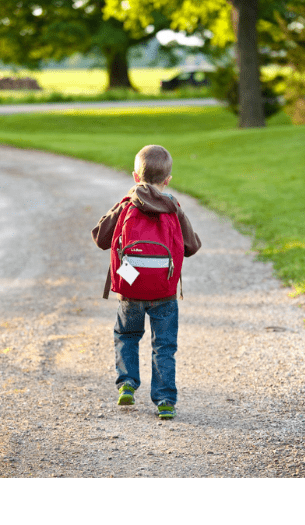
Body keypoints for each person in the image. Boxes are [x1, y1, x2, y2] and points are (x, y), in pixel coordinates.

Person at [92, 145, 202, 419]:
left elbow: (100, 237)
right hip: (164, 292)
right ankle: (165, 400)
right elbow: (192, 246)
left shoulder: (127, 205)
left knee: (127, 336)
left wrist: (122, 203)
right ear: (167, 180)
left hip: (131, 288)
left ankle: (127, 383)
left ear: (134, 176)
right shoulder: (173, 207)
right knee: (163, 346)